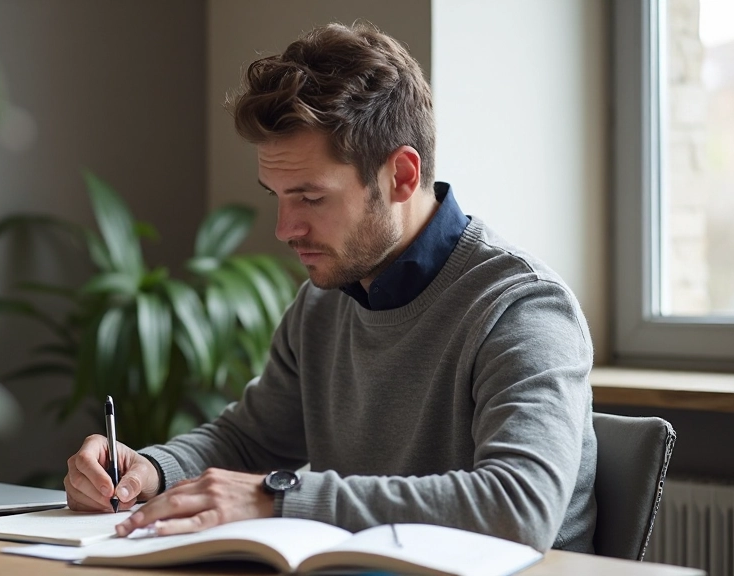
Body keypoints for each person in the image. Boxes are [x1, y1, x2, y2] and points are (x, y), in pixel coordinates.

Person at [63, 21, 596, 552]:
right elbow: (249, 441)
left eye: (310, 198)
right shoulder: (322, 304)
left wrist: (281, 498)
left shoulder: (522, 306)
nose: (284, 229)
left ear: (402, 176)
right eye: (276, 195)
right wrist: (150, 471)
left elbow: (519, 507)